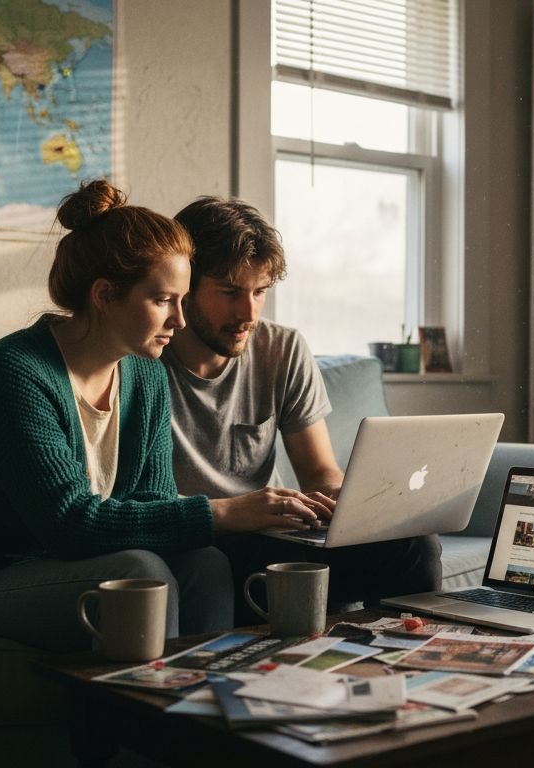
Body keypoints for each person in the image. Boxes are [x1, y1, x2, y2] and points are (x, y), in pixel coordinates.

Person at [0, 180, 327, 651]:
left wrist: (212, 523)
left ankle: (203, 698)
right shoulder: (16, 373)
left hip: (66, 564)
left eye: (182, 299)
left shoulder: (145, 375)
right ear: (105, 295)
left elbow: (153, 502)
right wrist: (227, 511)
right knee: (140, 573)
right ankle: (142, 708)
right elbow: (70, 524)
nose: (179, 319)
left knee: (205, 562)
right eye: (163, 301)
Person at [163, 196, 441, 622]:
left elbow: (320, 472)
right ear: (186, 286)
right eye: (230, 292)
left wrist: (353, 505)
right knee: (211, 564)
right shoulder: (143, 363)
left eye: (260, 292)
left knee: (414, 545)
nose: (248, 313)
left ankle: (405, 659)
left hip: (275, 537)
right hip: (204, 536)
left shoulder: (283, 348)